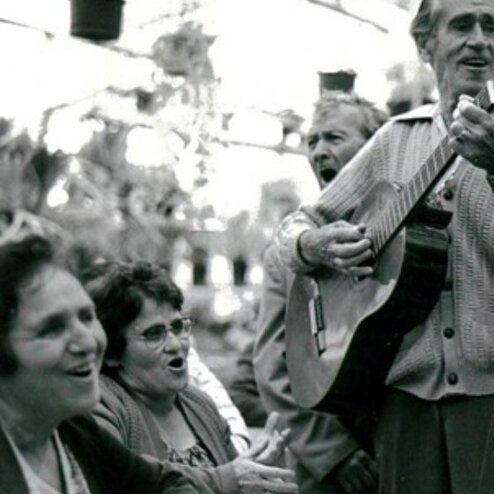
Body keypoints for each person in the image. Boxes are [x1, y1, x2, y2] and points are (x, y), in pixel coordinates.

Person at [273, 0, 494, 494]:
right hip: (404, 400)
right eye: (462, 25)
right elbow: (296, 226)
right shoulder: (396, 138)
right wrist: (313, 244)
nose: (480, 39)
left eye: (493, 27)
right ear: (425, 44)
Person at [253, 92, 388, 494]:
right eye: (313, 141)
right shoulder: (291, 249)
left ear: (376, 147)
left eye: (333, 138)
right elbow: (274, 365)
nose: (319, 151)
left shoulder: (407, 232)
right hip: (327, 471)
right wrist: (334, 453)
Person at [0, 235, 197, 493]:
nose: (88, 342)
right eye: (52, 328)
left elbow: (164, 484)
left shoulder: (73, 431)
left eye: (86, 316)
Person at [88, 260, 297, 494]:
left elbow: (238, 481)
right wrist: (225, 479)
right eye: (154, 334)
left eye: (178, 326)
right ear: (114, 352)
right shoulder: (102, 407)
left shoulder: (200, 404)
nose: (176, 344)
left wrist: (261, 476)